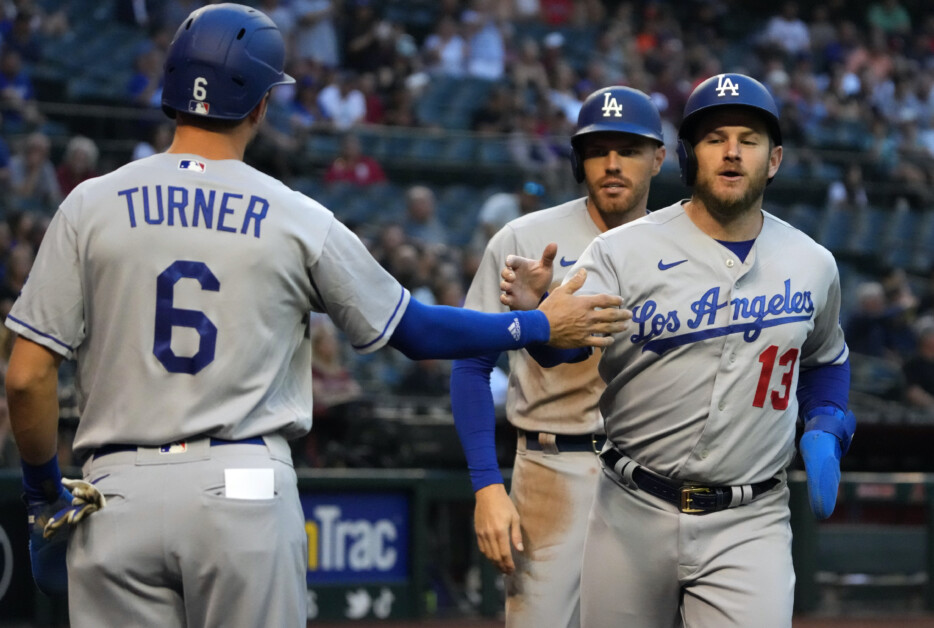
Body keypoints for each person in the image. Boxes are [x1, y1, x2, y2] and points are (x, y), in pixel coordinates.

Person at [3, 5, 631, 627]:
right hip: (241, 486)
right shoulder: (294, 215)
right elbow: (414, 330)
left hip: (117, 489)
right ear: (259, 105)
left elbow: (27, 377)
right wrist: (538, 325)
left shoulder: (89, 206)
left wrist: (42, 496)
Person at [501, 73, 855, 628]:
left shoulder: (813, 264)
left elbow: (825, 358)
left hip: (751, 519)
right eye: (714, 139)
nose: (732, 151)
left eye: (749, 138)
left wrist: (827, 423)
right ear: (690, 156)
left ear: (776, 158)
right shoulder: (622, 250)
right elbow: (567, 351)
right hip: (630, 510)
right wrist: (541, 319)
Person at [451, 86, 666, 628]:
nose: (612, 165)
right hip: (551, 470)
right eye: (597, 150)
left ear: (659, 158)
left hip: (653, 478)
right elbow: (471, 364)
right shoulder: (524, 238)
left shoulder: (688, 243)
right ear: (578, 160)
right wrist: (486, 486)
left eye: (629, 149)